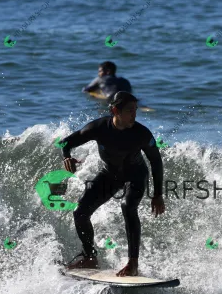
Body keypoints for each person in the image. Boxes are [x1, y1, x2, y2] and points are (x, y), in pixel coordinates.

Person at [59, 91, 165, 276]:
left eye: (135, 110)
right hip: (110, 175)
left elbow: (156, 161)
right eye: (130, 110)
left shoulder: (141, 133)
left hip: (136, 175)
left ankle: (133, 263)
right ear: (115, 110)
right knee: (80, 212)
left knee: (128, 206)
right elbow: (65, 143)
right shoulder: (99, 128)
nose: (134, 114)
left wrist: (157, 195)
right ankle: (90, 257)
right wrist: (67, 157)